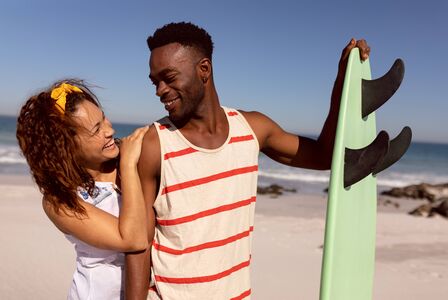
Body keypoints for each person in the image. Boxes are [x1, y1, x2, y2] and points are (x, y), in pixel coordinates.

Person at [125, 22, 371, 299]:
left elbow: (325, 156)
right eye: (155, 81)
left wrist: (344, 82)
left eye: (169, 77)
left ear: (203, 70)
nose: (160, 90)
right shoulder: (155, 144)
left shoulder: (252, 129)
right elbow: (138, 243)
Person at [16, 79, 149, 299]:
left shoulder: (124, 152)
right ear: (67, 145)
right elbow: (133, 239)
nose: (110, 130)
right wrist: (128, 165)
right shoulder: (59, 201)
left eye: (103, 118)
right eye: (96, 129)